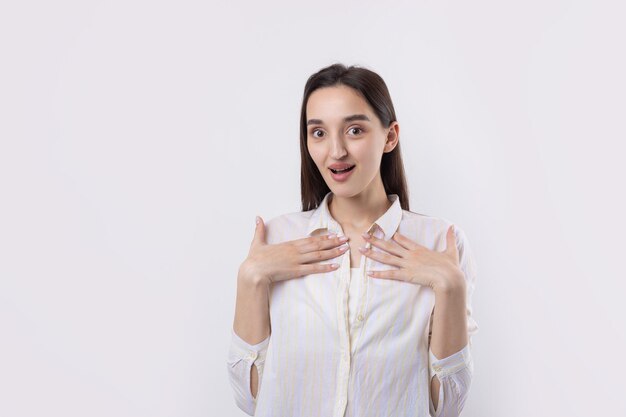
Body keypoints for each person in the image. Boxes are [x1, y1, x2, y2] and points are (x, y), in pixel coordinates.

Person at [226, 63, 479, 417]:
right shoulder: (277, 238)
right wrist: (250, 278)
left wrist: (451, 285)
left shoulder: (441, 242)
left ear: (390, 136)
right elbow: (250, 400)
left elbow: (447, 407)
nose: (336, 151)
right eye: (318, 133)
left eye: (355, 130)